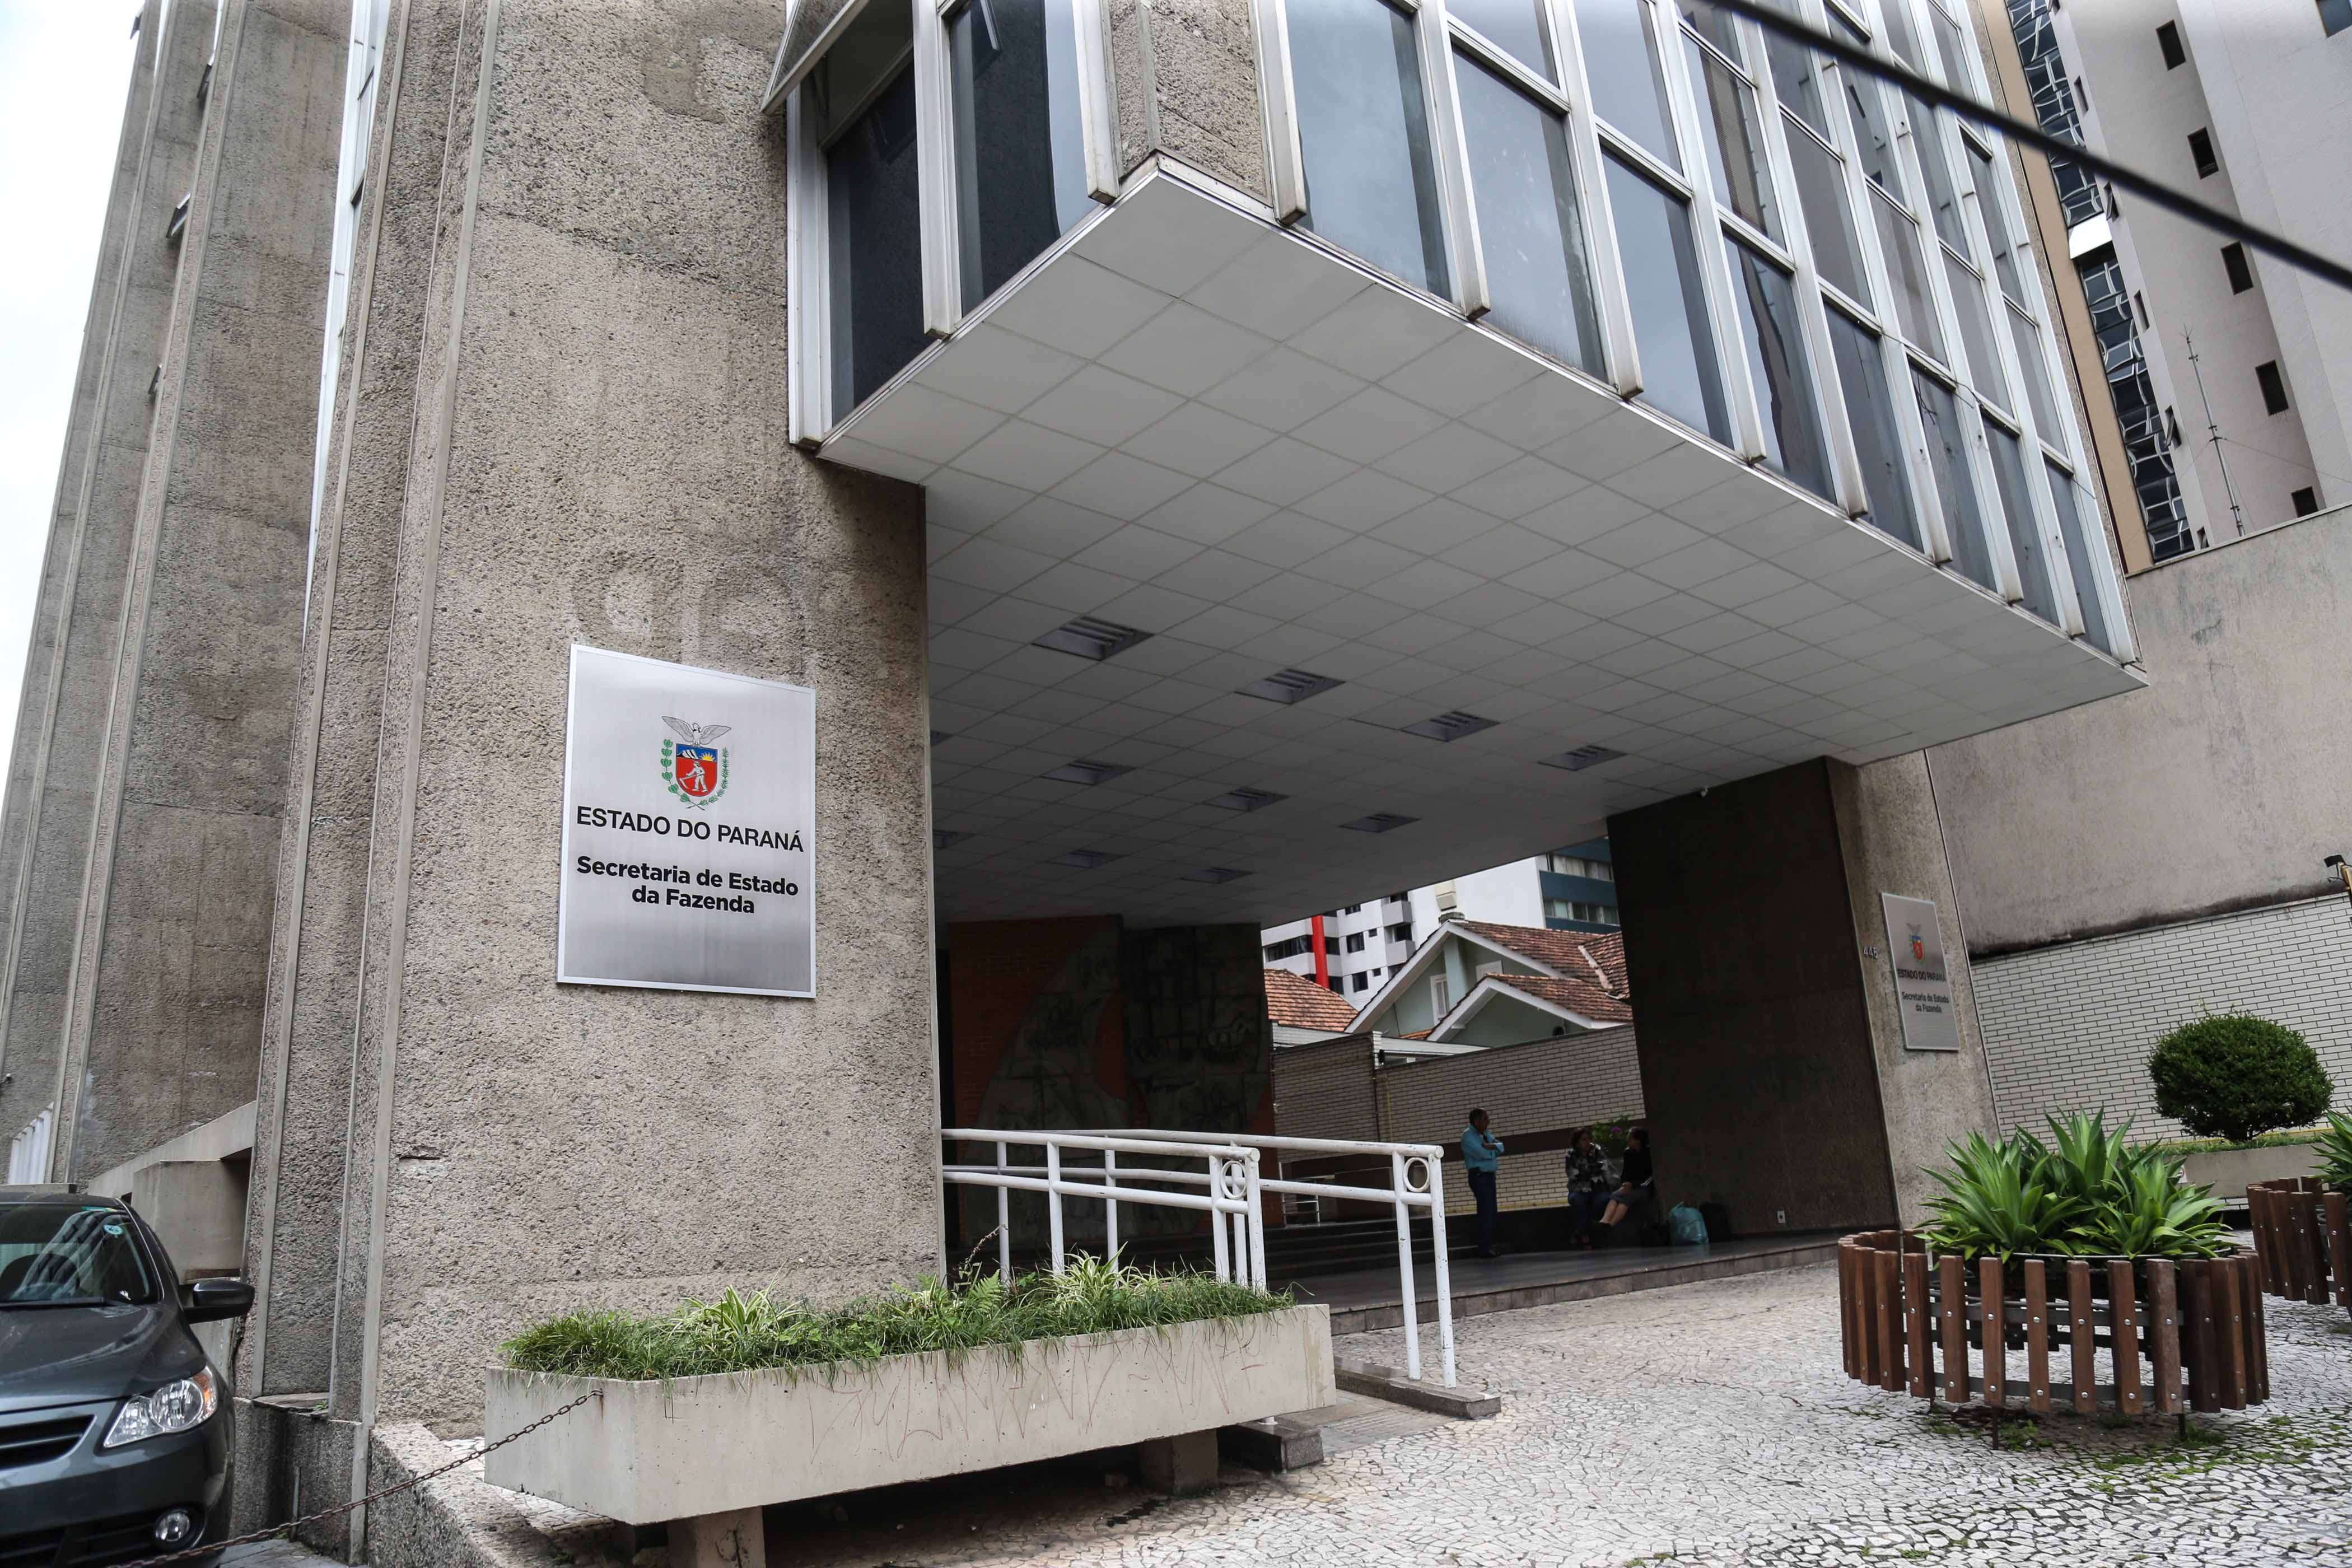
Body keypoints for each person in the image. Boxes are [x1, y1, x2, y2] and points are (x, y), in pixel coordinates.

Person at [1562, 1127, 1616, 1249]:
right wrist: (1594, 1168)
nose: (1587, 1142)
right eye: (1583, 1140)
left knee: (1603, 1200)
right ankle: (1585, 1235)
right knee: (1578, 1201)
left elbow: (1604, 1167)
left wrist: (1585, 1170)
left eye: (1589, 1139)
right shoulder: (1571, 1155)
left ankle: (1582, 1232)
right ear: (1577, 1142)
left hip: (1598, 1188)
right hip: (1579, 1189)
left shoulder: (1597, 1150)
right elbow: (1572, 1174)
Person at [1462, 1108, 1505, 1258]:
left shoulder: (1486, 1134)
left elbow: (1502, 1147)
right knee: (1486, 1211)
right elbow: (1482, 1154)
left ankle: (1488, 1245)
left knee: (1491, 1211)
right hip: (1479, 1177)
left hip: (1489, 1176)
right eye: (1486, 1119)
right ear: (1476, 1121)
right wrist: (1493, 1150)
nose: (1489, 1122)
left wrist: (1493, 1147)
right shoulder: (1468, 1136)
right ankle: (1484, 1248)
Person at [1600, 1127, 1655, 1236]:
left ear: (1638, 1140)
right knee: (1615, 1195)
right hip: (1630, 1186)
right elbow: (1625, 1173)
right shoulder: (1628, 1153)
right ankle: (1604, 1222)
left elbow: (1651, 1177)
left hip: (1644, 1187)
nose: (1628, 1140)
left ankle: (1610, 1226)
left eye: (1630, 1138)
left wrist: (1633, 1185)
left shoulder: (1648, 1152)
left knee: (1627, 1197)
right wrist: (1624, 1184)